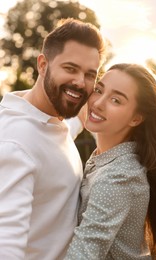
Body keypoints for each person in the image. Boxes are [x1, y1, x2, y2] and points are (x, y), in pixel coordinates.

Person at [0, 18, 105, 259]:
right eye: (70, 68)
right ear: (43, 64)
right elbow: (6, 247)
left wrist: (84, 118)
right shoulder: (15, 143)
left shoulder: (47, 121)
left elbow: (59, 133)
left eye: (90, 74)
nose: (80, 82)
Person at [65, 63, 156, 259]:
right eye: (98, 90)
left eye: (116, 100)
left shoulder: (120, 176)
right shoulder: (106, 158)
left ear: (136, 118)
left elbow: (84, 252)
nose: (98, 103)